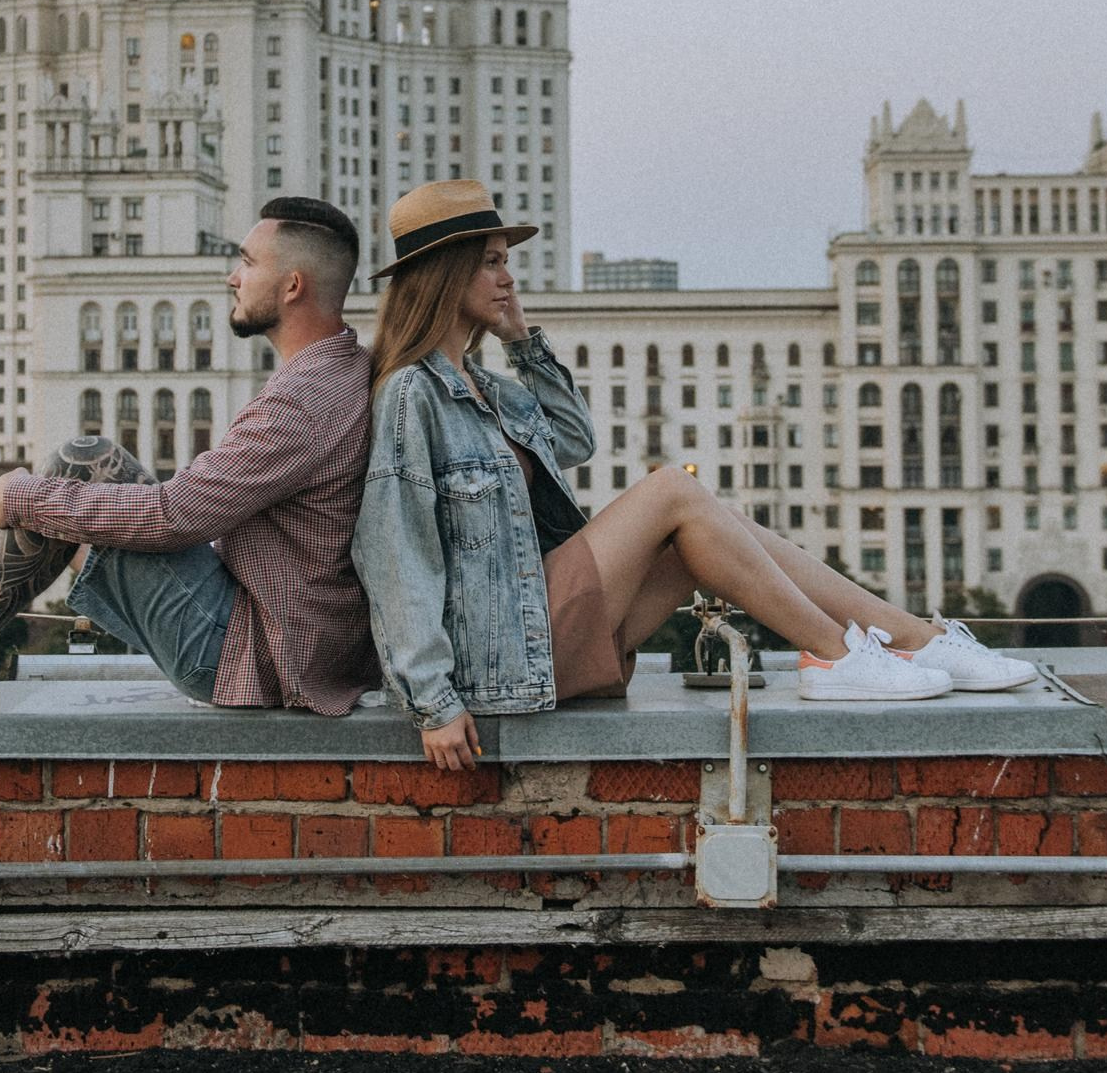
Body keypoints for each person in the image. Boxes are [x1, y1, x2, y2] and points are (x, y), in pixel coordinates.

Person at [351, 182, 1035, 770]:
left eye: (508, 263)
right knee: (674, 488)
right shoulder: (413, 393)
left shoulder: (488, 387)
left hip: (535, 632)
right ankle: (833, 655)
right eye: (492, 264)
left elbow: (575, 440)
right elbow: (396, 552)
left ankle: (915, 639)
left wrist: (524, 341)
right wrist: (432, 704)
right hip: (492, 656)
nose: (509, 278)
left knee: (717, 528)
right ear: (445, 273)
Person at [0, 196, 378, 716]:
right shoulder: (334, 368)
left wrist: (25, 494)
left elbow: (178, 516)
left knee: (76, 470)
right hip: (267, 630)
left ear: (293, 285)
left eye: (247, 262)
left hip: (249, 655)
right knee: (85, 468)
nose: (232, 276)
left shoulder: (308, 395)